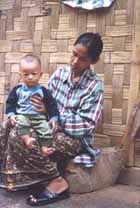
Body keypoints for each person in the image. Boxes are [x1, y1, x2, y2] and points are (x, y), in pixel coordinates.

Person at [0, 32, 103, 206]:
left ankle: (57, 182)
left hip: (73, 138)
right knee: (8, 126)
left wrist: (53, 116)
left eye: (82, 59)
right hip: (47, 126)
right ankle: (7, 172)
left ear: (93, 61)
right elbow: (45, 104)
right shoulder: (60, 74)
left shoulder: (94, 86)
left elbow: (86, 125)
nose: (74, 62)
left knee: (20, 136)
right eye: (74, 54)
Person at [5, 54, 58, 156]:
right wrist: (11, 114)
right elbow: (10, 102)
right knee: (21, 123)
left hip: (39, 118)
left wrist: (53, 117)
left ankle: (45, 148)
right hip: (23, 116)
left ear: (40, 74)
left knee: (46, 129)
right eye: (26, 74)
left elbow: (52, 104)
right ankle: (26, 139)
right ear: (20, 75)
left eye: (34, 74)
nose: (30, 77)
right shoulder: (18, 90)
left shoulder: (43, 91)